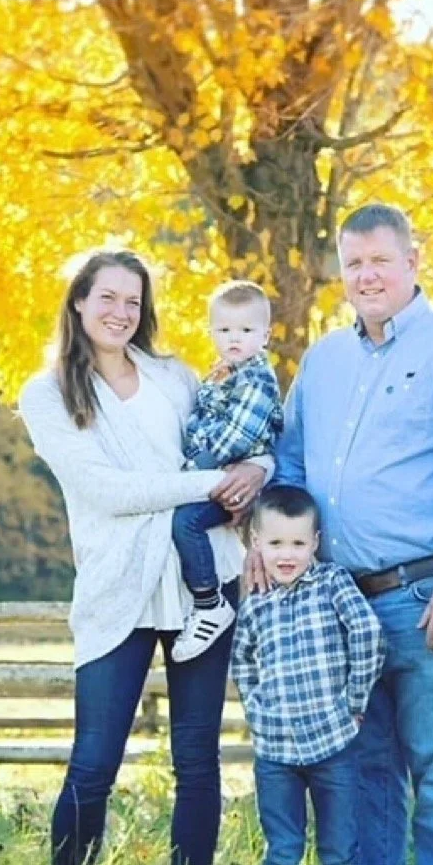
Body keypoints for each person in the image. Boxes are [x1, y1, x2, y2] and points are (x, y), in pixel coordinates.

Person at [255, 204, 433, 865]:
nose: (367, 275)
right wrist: (272, 547)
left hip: (430, 597)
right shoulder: (325, 360)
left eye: (380, 260)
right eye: (354, 264)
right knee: (364, 770)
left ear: (413, 262)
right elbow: (294, 464)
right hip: (340, 604)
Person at [17, 250, 271, 865]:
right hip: (117, 585)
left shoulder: (174, 376)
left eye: (133, 302)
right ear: (78, 301)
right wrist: (215, 484)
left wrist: (260, 469)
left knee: (197, 759)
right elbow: (104, 490)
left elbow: (241, 437)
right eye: (107, 298)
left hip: (204, 578)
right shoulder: (47, 393)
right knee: (95, 760)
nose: (120, 313)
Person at [230, 485, 386, 865]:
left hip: (332, 741)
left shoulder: (332, 582)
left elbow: (367, 634)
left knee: (339, 848)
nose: (287, 554)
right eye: (276, 543)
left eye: (298, 543)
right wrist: (256, 711)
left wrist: (354, 702)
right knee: (283, 847)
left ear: (315, 543)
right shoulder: (255, 601)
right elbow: (241, 660)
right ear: (255, 542)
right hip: (276, 750)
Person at [171, 281, 284, 663]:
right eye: (225, 330)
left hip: (234, 483)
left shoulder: (256, 380)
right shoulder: (221, 373)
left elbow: (237, 436)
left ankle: (209, 603)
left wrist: (192, 468)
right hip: (215, 477)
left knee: (187, 522)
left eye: (247, 331)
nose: (235, 338)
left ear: (265, 335)